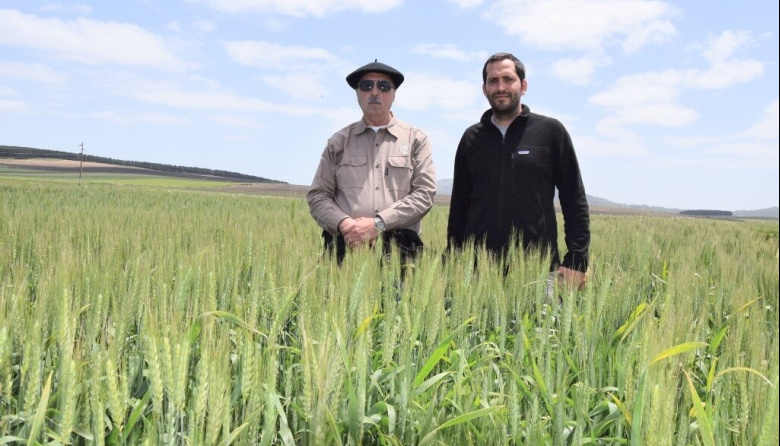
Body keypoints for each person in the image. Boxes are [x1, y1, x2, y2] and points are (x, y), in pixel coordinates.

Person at [446, 52, 590, 293]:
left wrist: (577, 257)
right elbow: (459, 205)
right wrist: (452, 258)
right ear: (484, 88)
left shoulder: (551, 132)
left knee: (540, 330)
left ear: (523, 86)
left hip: (539, 271)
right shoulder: (471, 138)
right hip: (479, 272)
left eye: (508, 79)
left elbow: (574, 198)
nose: (500, 87)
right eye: (493, 81)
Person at [307, 60, 437, 267]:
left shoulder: (416, 139)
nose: (375, 92)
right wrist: (346, 224)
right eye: (367, 86)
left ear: (394, 94)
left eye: (384, 86)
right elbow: (318, 195)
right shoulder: (338, 142)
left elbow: (424, 194)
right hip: (346, 249)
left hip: (399, 253)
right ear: (357, 94)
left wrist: (378, 224)